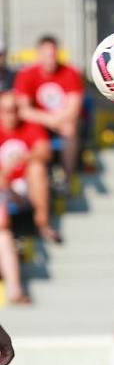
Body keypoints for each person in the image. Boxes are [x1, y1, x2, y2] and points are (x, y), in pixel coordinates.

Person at [13, 35, 83, 192]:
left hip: (62, 122)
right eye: (46, 55)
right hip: (40, 123)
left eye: (53, 55)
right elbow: (23, 110)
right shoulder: (26, 74)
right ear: (39, 54)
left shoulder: (70, 73)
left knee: (70, 129)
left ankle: (67, 178)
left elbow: (73, 108)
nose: (50, 59)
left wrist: (56, 120)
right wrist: (49, 120)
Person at [0, 90, 59, 243]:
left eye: (15, 109)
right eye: (7, 110)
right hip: (4, 187)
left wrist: (23, 158)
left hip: (26, 185)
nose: (11, 114)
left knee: (37, 168)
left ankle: (42, 223)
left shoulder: (30, 126)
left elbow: (45, 152)